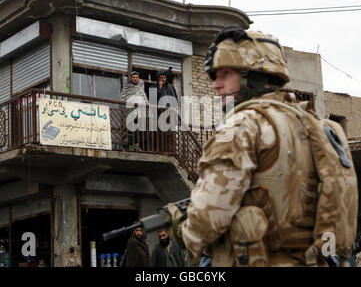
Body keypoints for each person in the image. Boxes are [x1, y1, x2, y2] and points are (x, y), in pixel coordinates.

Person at [165, 26, 358, 267]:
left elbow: (209, 217)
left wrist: (180, 225)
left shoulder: (241, 125)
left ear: (252, 76)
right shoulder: (315, 125)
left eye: (225, 74)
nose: (216, 85)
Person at [119, 71, 149, 150]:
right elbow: (123, 99)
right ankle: (130, 148)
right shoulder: (126, 88)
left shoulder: (140, 89)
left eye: (136, 77)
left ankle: (140, 148)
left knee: (140, 133)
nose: (135, 79)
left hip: (140, 114)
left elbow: (145, 100)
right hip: (130, 113)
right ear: (131, 78)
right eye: (133, 77)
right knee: (130, 134)